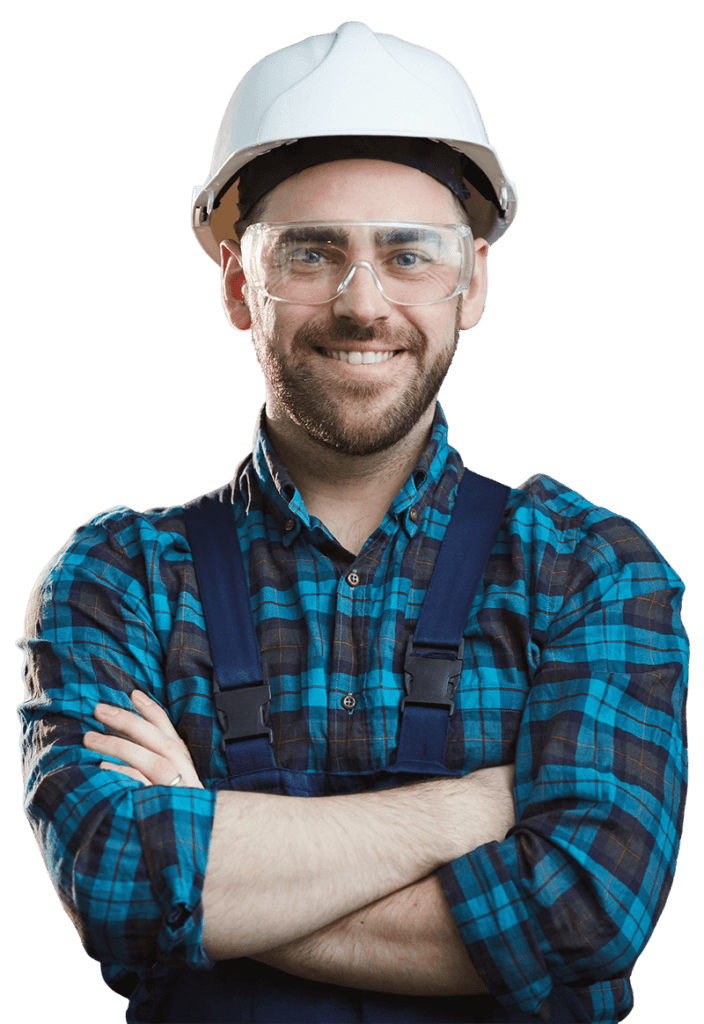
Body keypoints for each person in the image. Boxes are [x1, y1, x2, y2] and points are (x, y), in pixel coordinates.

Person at [17, 21, 688, 1024]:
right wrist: (469, 811)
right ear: (240, 284)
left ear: (472, 285)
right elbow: (116, 885)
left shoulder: (587, 570)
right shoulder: (116, 580)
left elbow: (581, 915)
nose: (361, 302)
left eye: (407, 253)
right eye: (310, 252)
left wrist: (206, 846)